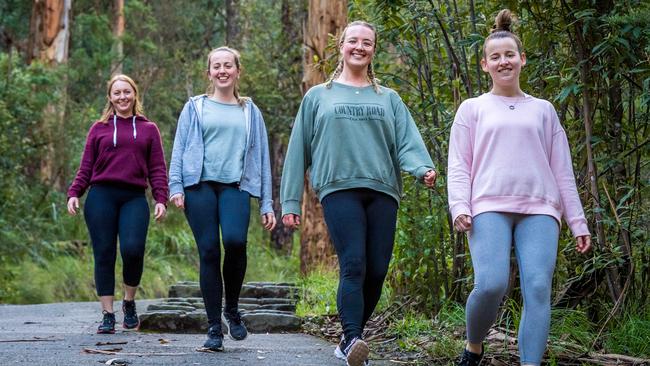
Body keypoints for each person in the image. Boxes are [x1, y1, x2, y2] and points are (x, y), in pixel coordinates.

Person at [280, 21, 437, 366]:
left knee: (377, 270)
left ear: (373, 50)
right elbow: (297, 150)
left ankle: (348, 340)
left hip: (383, 189)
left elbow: (407, 142)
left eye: (367, 43)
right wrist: (290, 201)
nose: (359, 47)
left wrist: (421, 168)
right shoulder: (318, 96)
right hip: (339, 188)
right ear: (342, 46)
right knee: (354, 263)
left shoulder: (388, 98)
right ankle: (353, 340)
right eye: (353, 41)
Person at [447, 9, 592, 366]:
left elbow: (562, 170)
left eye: (509, 55)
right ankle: (474, 346)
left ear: (522, 59)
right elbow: (459, 164)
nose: (503, 62)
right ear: (484, 65)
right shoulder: (472, 109)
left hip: (541, 209)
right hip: (488, 206)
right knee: (492, 283)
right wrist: (459, 206)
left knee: (539, 289)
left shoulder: (543, 110)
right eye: (495, 57)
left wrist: (578, 222)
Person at [168, 46, 276, 352]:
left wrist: (266, 202)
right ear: (209, 73)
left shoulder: (250, 111)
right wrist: (175, 186)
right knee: (209, 253)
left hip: (235, 187)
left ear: (238, 71)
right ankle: (214, 327)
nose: (222, 70)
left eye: (228, 65)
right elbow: (180, 148)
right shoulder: (195, 107)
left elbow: (262, 157)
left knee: (235, 241)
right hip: (198, 186)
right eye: (216, 66)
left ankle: (231, 308)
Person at [67, 74, 168, 334]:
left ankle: (129, 301)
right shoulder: (99, 128)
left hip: (134, 197)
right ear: (110, 98)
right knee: (104, 253)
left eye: (127, 92)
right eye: (117, 93)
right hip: (101, 196)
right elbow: (86, 166)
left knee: (133, 249)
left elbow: (157, 168)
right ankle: (108, 314)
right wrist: (74, 192)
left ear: (134, 94)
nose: (122, 97)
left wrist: (160, 198)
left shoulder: (148, 129)